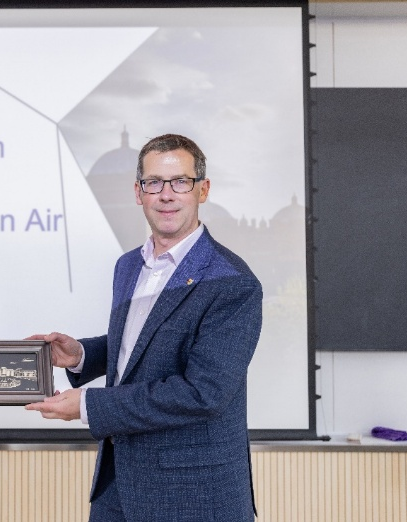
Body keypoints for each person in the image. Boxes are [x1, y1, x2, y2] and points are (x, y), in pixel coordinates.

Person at [26, 134, 262, 521]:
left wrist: (87, 405)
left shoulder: (232, 281)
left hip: (191, 496)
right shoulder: (128, 266)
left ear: (202, 190)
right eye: (154, 183)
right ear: (139, 193)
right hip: (116, 485)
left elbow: (204, 393)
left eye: (180, 182)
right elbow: (142, 344)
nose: (166, 195)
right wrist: (82, 354)